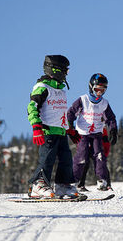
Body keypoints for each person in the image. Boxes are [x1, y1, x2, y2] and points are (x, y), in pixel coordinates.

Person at [27, 55, 81, 199]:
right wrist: (36, 127)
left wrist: (69, 129)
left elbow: (60, 113)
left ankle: (63, 186)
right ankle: (38, 185)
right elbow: (32, 107)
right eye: (65, 71)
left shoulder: (61, 90)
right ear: (56, 70)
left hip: (61, 132)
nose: (66, 74)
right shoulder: (42, 88)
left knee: (66, 159)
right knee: (47, 159)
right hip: (47, 131)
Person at [67, 73, 117, 191]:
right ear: (91, 87)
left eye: (102, 90)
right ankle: (74, 182)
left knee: (99, 156)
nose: (99, 92)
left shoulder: (104, 103)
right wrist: (70, 127)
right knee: (81, 157)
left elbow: (110, 118)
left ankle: (102, 181)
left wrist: (113, 130)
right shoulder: (83, 100)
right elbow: (71, 113)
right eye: (97, 89)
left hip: (96, 134)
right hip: (82, 134)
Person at [76, 126, 112, 192]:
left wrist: (105, 153)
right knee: (84, 163)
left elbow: (105, 141)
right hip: (86, 142)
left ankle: (106, 184)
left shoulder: (101, 128)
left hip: (97, 144)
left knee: (100, 163)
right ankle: (80, 184)